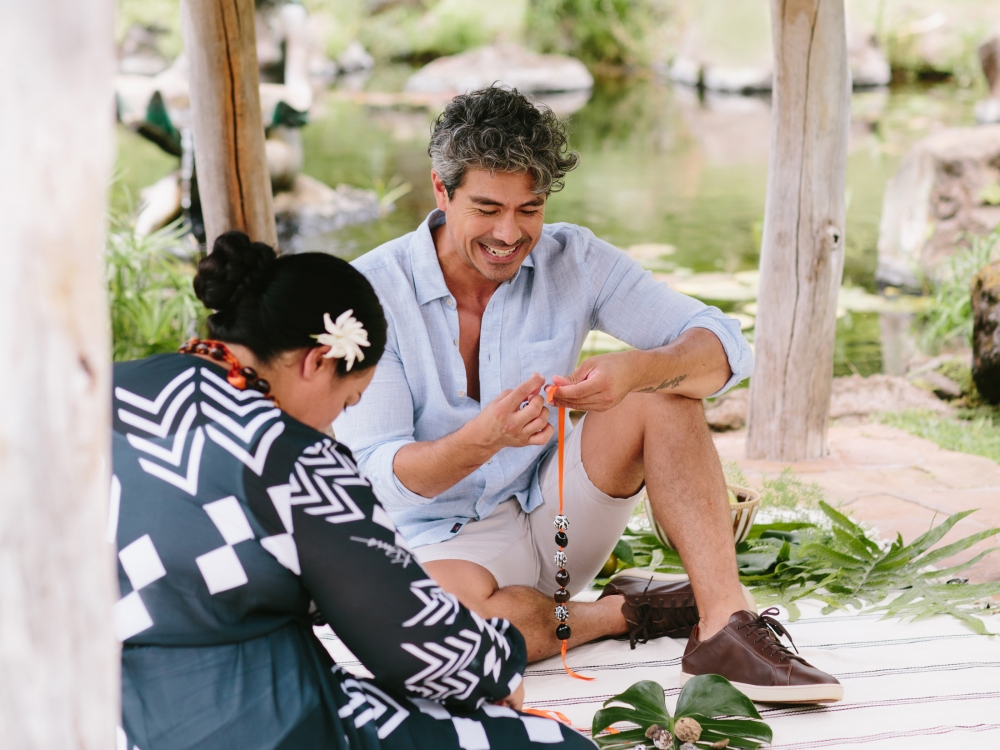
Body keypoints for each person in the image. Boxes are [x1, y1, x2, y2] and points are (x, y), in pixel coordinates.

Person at [335, 86, 843, 704]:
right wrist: (481, 439)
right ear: (441, 193)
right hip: (439, 543)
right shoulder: (368, 292)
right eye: (487, 207)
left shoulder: (574, 259)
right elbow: (380, 477)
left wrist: (639, 370)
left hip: (561, 517)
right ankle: (620, 614)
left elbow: (727, 349)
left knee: (663, 391)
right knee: (445, 637)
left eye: (530, 209)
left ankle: (724, 628)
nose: (508, 232)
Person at [111, 231, 595, 749]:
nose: (333, 428)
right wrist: (499, 667)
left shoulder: (94, 395)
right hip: (251, 719)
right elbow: (414, 644)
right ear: (318, 362)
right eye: (346, 404)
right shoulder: (290, 453)